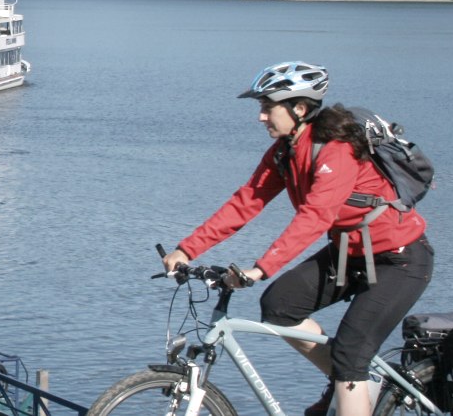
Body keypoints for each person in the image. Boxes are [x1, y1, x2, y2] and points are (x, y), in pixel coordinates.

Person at [161, 61, 433, 416]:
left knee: (350, 353)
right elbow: (247, 201)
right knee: (280, 306)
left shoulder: (336, 148)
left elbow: (316, 216)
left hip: (401, 260)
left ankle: (351, 378)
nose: (261, 117)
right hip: (349, 255)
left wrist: (261, 268)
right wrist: (187, 248)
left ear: (299, 109)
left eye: (266, 107)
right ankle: (353, 385)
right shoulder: (284, 152)